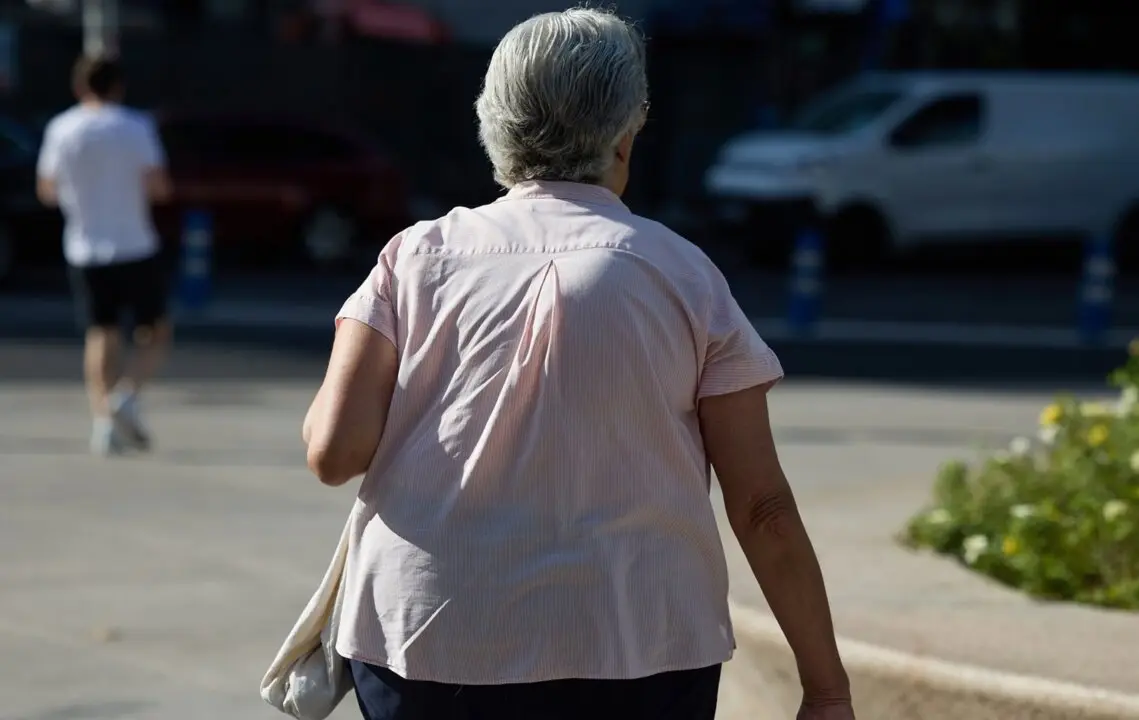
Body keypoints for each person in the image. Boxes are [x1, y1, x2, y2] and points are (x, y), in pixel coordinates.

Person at [302, 8, 854, 720]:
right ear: (627, 132)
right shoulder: (683, 274)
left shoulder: (415, 256)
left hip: (428, 635)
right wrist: (826, 688)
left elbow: (332, 451)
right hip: (637, 642)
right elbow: (762, 507)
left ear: (492, 121)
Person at [36, 53, 173, 456]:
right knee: (156, 330)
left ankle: (102, 423)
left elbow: (46, 190)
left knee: (101, 333)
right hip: (135, 243)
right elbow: (159, 186)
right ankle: (126, 396)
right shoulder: (136, 126)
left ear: (79, 87)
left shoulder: (62, 128)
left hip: (84, 245)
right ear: (118, 86)